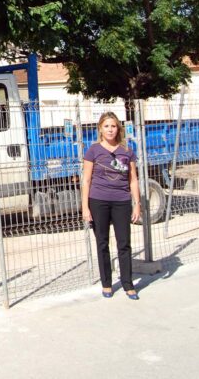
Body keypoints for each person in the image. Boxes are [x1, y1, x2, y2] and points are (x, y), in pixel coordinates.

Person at [81, 112, 142, 300]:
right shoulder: (93, 151)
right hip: (98, 201)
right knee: (102, 243)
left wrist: (137, 205)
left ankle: (128, 284)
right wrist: (85, 207)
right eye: (106, 126)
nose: (110, 129)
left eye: (113, 126)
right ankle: (106, 283)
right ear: (100, 128)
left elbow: (133, 180)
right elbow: (86, 180)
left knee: (124, 244)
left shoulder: (127, 151)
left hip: (121, 201)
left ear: (118, 129)